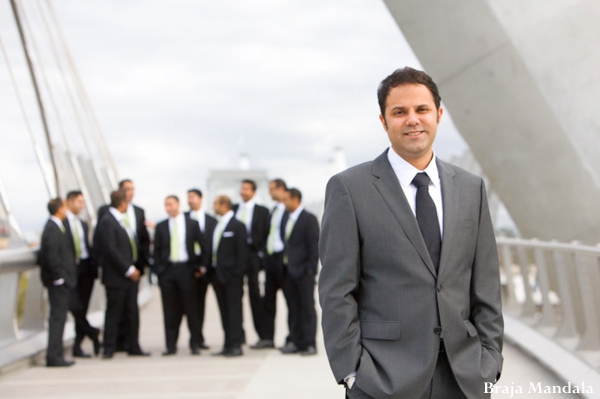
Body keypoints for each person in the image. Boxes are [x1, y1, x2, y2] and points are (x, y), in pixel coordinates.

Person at [319, 67, 503, 399]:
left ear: (438, 115)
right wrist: (352, 372)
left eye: (422, 110)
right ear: (383, 121)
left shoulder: (470, 187)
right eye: (399, 112)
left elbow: (486, 282)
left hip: (465, 378)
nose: (412, 120)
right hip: (382, 379)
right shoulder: (349, 189)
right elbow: (336, 291)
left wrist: (489, 363)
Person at [94, 190, 149, 359]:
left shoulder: (121, 221)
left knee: (132, 312)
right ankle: (109, 347)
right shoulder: (107, 222)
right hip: (117, 277)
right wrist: (129, 269)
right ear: (122, 203)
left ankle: (133, 345)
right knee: (114, 312)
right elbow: (111, 250)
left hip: (130, 277)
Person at [153, 195, 207, 355]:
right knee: (170, 310)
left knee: (192, 309)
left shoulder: (192, 224)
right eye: (165, 205)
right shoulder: (161, 226)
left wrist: (200, 267)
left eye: (170, 204)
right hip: (168, 271)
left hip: (186, 270)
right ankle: (171, 345)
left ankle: (195, 343)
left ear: (178, 204)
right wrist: (159, 271)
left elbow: (204, 246)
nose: (168, 208)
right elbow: (156, 251)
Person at [232, 180, 270, 349]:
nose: (243, 191)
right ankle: (238, 335)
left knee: (255, 296)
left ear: (253, 191)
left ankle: (262, 335)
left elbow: (265, 234)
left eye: (247, 189)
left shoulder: (262, 211)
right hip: (235, 257)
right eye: (242, 188)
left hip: (253, 257)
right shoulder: (233, 210)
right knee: (235, 295)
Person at [280, 188, 319, 356]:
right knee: (293, 308)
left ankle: (310, 343)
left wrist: (310, 270)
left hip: (304, 273)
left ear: (295, 199)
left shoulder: (308, 219)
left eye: (286, 199)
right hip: (288, 272)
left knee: (307, 308)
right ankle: (296, 341)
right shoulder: (285, 219)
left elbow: (314, 247)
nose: (283, 203)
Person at [39, 198, 76, 367]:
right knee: (57, 318)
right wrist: (59, 278)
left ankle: (57, 354)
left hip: (60, 281)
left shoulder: (55, 226)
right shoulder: (52, 229)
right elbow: (50, 256)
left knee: (60, 318)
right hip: (57, 283)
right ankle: (53, 356)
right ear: (60, 209)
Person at [209, 195, 248, 357]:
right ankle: (227, 344)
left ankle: (236, 344)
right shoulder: (217, 225)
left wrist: (236, 274)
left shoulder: (238, 226)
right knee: (224, 311)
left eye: (215, 204)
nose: (213, 207)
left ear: (224, 205)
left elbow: (242, 253)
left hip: (232, 278)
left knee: (234, 312)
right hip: (218, 277)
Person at [64, 191, 101, 358]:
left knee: (82, 308)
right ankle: (92, 332)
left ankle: (77, 347)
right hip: (71, 270)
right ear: (69, 202)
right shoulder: (62, 223)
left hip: (86, 270)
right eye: (79, 202)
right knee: (75, 306)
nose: (82, 205)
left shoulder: (83, 224)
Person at [262, 179, 292, 350]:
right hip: (270, 260)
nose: (270, 192)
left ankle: (291, 338)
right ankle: (267, 337)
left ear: (281, 189)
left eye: (272, 189)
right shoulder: (273, 210)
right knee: (268, 301)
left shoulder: (289, 211)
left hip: (284, 261)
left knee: (290, 301)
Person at [186, 188, 217, 350]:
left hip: (209, 268)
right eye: (188, 197)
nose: (190, 200)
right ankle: (195, 339)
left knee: (202, 304)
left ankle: (199, 337)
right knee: (192, 305)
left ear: (200, 199)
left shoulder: (212, 221)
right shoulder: (182, 219)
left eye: (193, 197)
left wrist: (205, 266)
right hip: (190, 270)